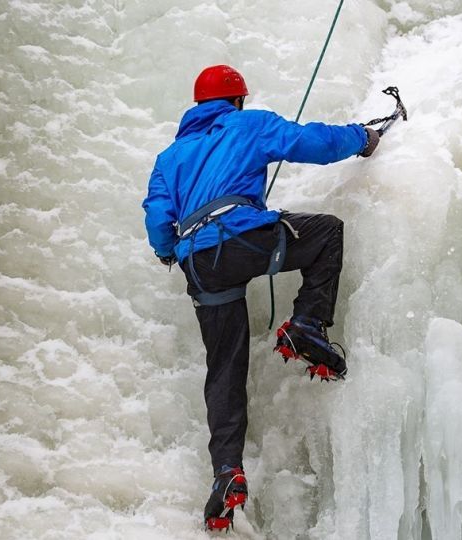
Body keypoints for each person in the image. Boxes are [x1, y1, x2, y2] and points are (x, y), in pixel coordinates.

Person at [142, 64, 379, 530]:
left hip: (200, 266)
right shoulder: (247, 124)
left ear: (198, 105)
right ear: (236, 101)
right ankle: (307, 324)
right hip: (241, 238)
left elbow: (157, 220)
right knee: (326, 233)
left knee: (224, 369)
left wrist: (169, 251)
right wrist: (362, 138)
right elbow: (310, 142)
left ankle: (226, 474)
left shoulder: (170, 157)